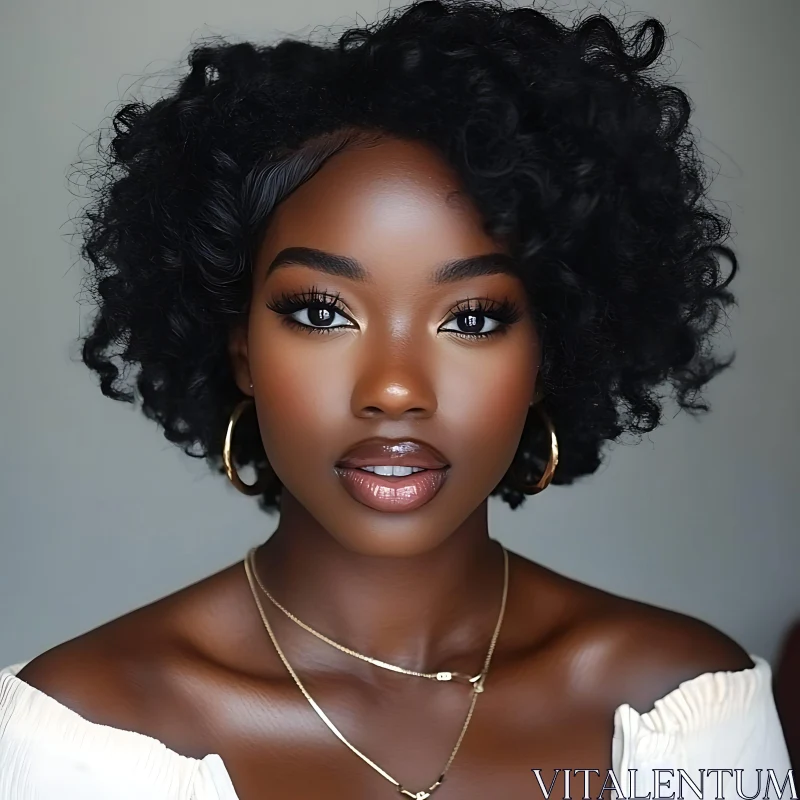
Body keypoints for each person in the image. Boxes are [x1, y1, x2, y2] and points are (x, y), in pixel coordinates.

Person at [0, 1, 791, 798]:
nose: (394, 390)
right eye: (320, 312)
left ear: (551, 354)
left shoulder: (685, 708)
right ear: (242, 349)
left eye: (473, 318)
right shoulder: (82, 735)